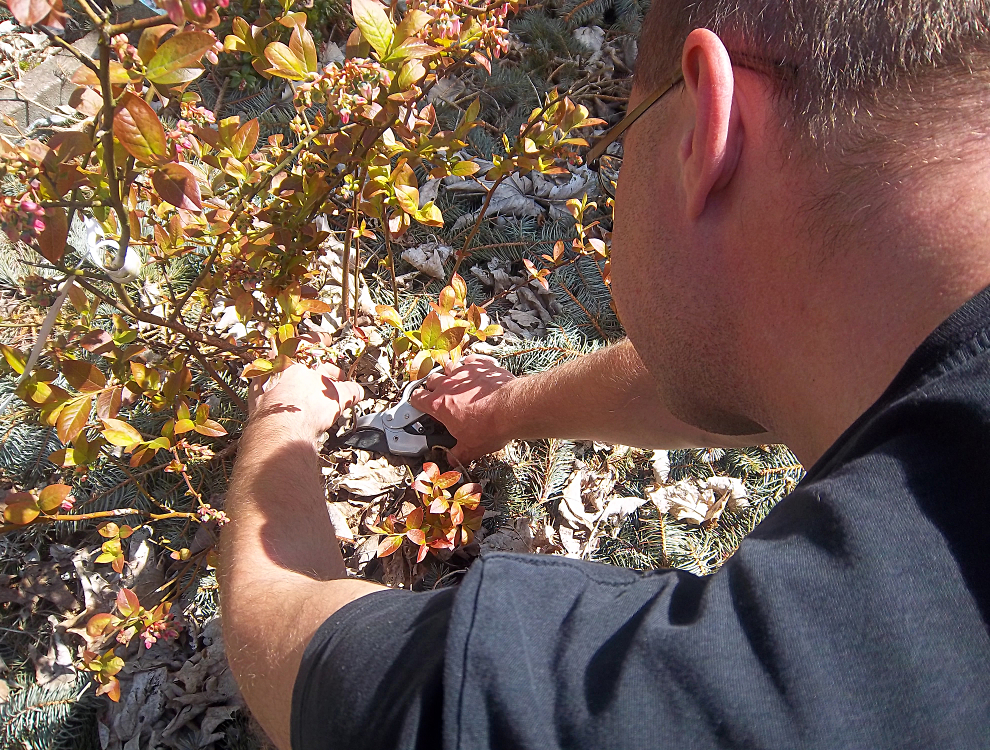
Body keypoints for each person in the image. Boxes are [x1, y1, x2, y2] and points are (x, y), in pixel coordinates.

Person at [219, 2, 990, 748]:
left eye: (622, 138)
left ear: (702, 128)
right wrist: (505, 411)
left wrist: (280, 424)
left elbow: (284, 636)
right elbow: (747, 361)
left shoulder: (672, 705)